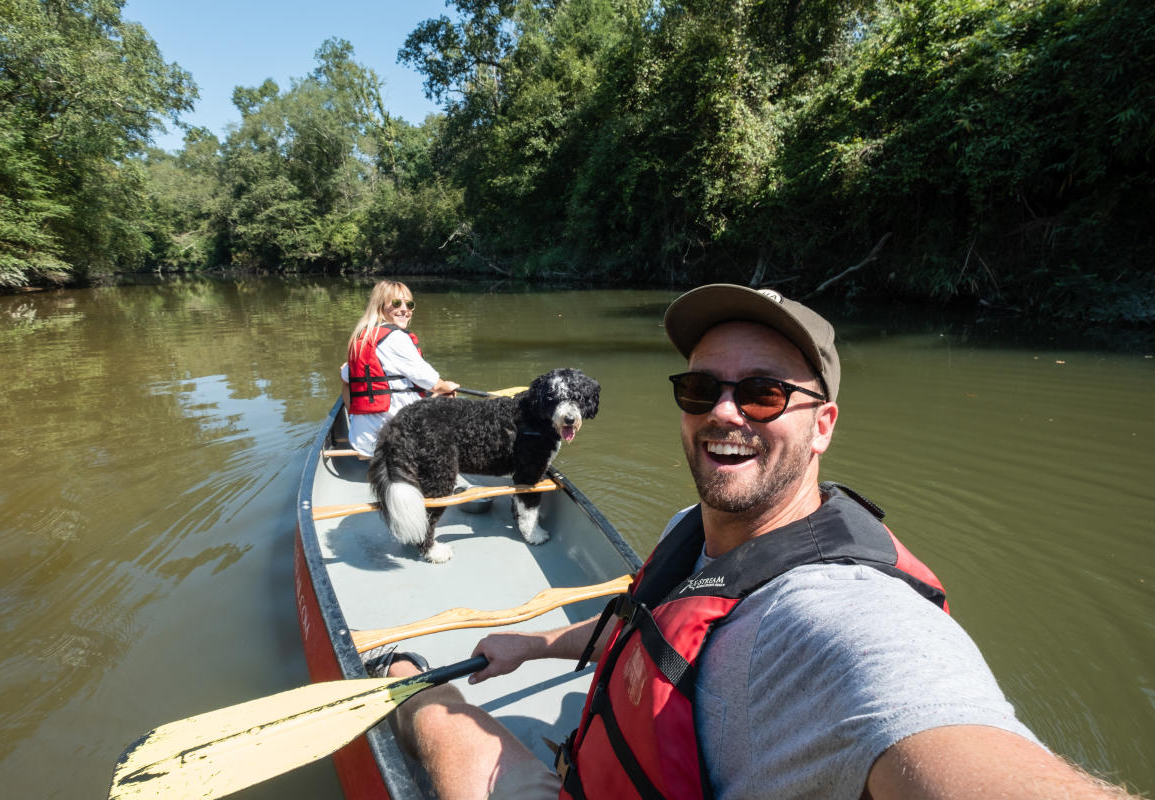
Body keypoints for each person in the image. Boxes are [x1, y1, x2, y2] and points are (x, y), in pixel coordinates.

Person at [376, 284, 1137, 800]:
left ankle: (401, 675)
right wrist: (536, 645)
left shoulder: (844, 618)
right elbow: (640, 621)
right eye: (701, 389)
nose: (725, 413)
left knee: (441, 715)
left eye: (765, 392)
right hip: (604, 752)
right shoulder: (690, 527)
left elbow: (952, 735)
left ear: (823, 427)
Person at [341, 280, 459, 456]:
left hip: (361, 440)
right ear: (380, 306)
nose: (405, 309)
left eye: (409, 304)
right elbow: (433, 383)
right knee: (448, 396)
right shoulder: (395, 338)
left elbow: (345, 378)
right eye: (397, 303)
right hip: (393, 440)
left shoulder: (361, 337)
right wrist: (446, 386)